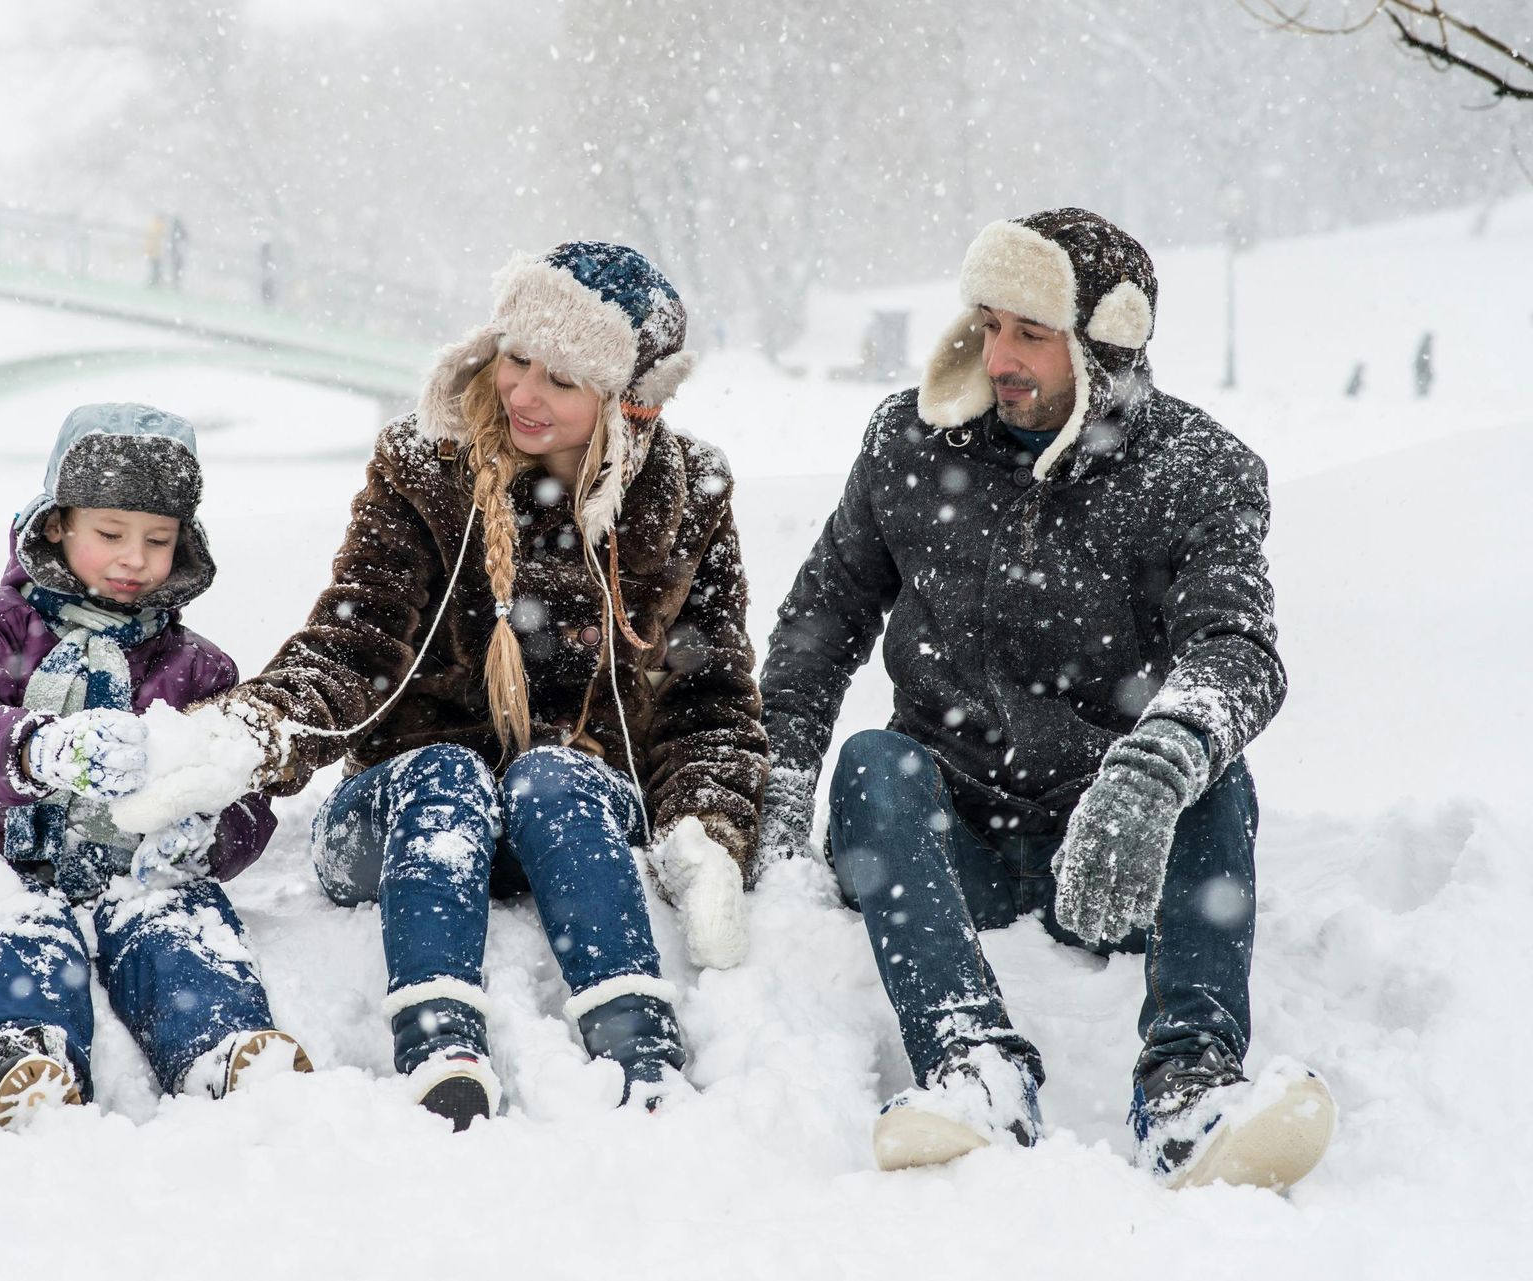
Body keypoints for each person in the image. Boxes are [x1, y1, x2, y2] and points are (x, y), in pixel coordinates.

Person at [758, 209, 1335, 1191]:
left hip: (1114, 854)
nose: (1001, 355)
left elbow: (1238, 648)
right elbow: (820, 624)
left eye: (1032, 332)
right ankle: (972, 1063)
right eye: (989, 324)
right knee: (869, 764)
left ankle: (1191, 1085)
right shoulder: (909, 442)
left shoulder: (1196, 470)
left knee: (1214, 773)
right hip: (948, 843)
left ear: (1102, 346)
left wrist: (1150, 777)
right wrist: (770, 792)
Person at [127, 243, 766, 1128]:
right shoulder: (424, 466)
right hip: (402, 816)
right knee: (447, 774)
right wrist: (253, 730)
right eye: (517, 358)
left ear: (628, 402)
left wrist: (707, 824)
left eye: (563, 379)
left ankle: (638, 1045)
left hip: (569, 822)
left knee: (557, 774)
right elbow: (354, 642)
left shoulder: (690, 490)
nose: (523, 394)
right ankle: (439, 1040)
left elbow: (713, 696)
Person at [0, 403, 311, 1129]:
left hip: (136, 869)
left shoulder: (198, 667)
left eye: (158, 539)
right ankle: (21, 1049)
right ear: (57, 523)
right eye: (111, 534)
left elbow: (241, 791)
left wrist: (209, 836)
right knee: (15, 929)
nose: (134, 559)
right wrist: (35, 747)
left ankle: (221, 1042)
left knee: (180, 926)